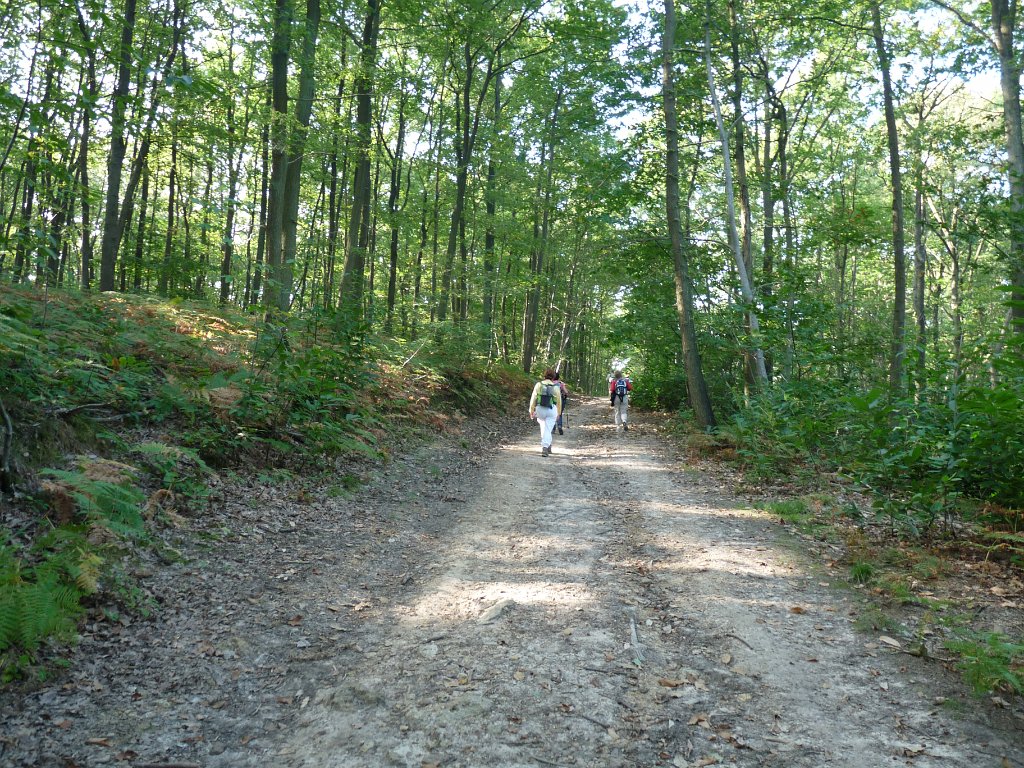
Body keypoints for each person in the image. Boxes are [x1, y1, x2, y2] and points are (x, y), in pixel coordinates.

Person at [529, 368, 563, 456]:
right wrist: (559, 413)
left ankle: (548, 445)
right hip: (551, 409)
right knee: (548, 429)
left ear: (544, 375)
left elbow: (533, 398)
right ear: (553, 377)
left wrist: (531, 410)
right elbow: (559, 401)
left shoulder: (538, 384)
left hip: (540, 409)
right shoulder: (556, 387)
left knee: (543, 427)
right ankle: (545, 447)